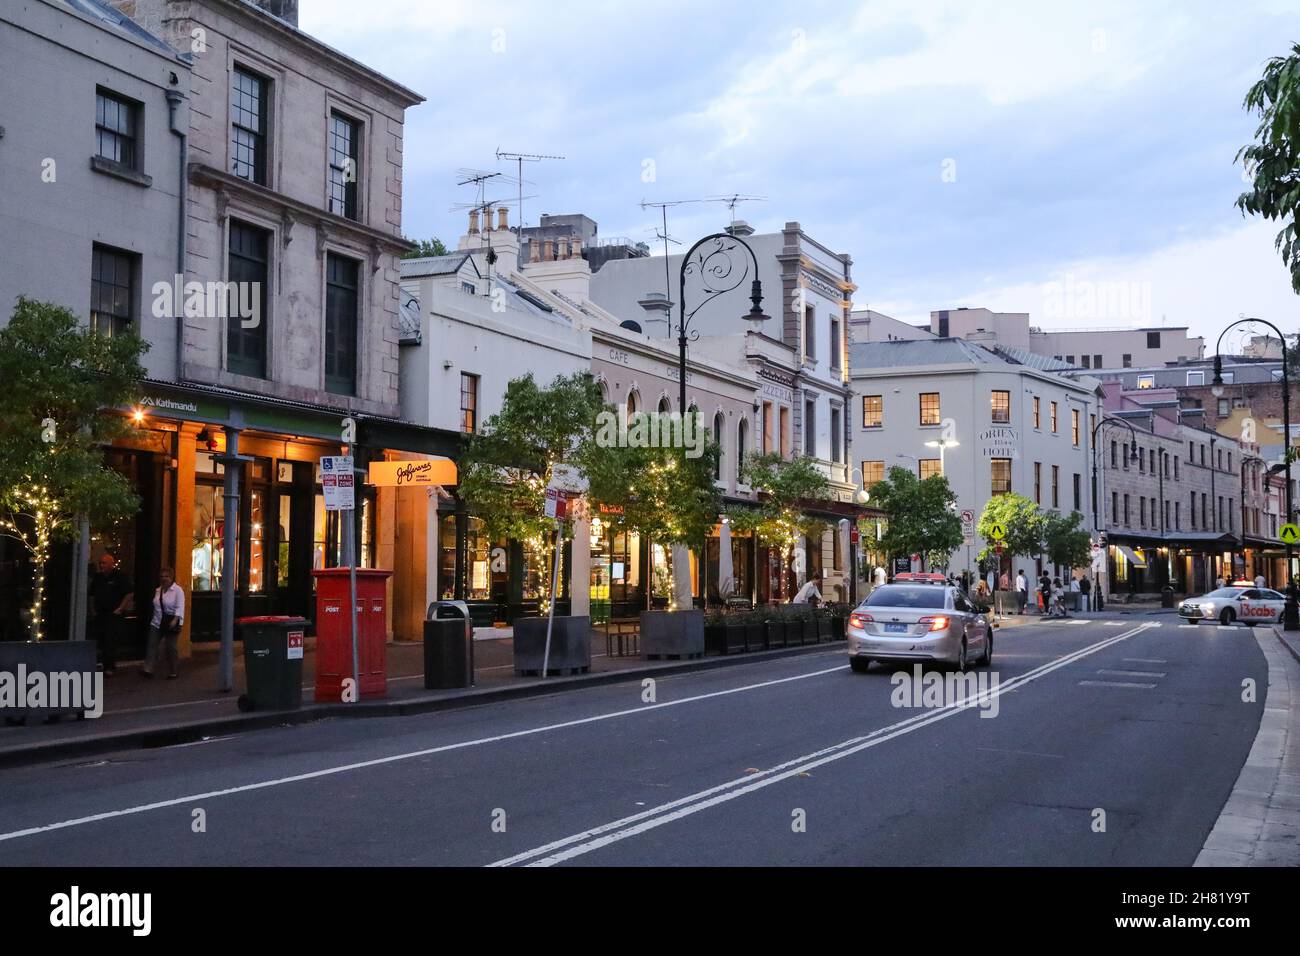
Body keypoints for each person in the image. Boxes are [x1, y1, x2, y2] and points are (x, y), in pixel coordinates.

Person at [88, 552, 132, 676]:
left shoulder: (120, 576)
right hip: (100, 613)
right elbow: (91, 594)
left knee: (110, 639)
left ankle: (110, 667)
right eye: (100, 563)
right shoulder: (98, 577)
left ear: (111, 564)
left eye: (104, 563)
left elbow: (129, 593)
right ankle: (102, 662)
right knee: (101, 638)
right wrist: (92, 610)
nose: (101, 565)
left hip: (113, 614)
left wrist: (120, 608)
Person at [142, 567, 186, 680]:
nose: (164, 579)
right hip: (157, 622)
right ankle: (148, 669)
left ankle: (173, 670)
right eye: (162, 576)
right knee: (152, 644)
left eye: (166, 576)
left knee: (171, 647)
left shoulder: (178, 590)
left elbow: (180, 606)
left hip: (171, 622)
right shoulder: (158, 590)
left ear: (171, 578)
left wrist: (175, 620)